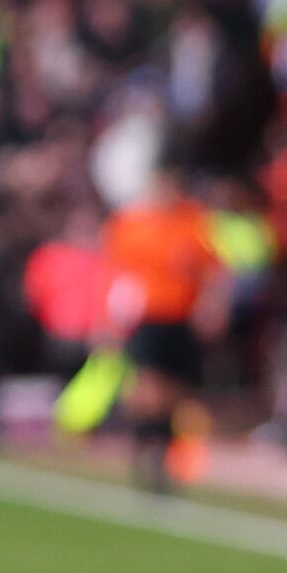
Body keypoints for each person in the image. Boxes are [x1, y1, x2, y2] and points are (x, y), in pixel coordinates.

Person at [98, 157, 227, 490]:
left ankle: (166, 456)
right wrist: (110, 319)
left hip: (180, 318)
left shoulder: (192, 222)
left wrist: (211, 306)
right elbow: (114, 275)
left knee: (176, 394)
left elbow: (212, 270)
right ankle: (146, 453)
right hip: (147, 318)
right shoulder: (130, 225)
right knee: (148, 389)